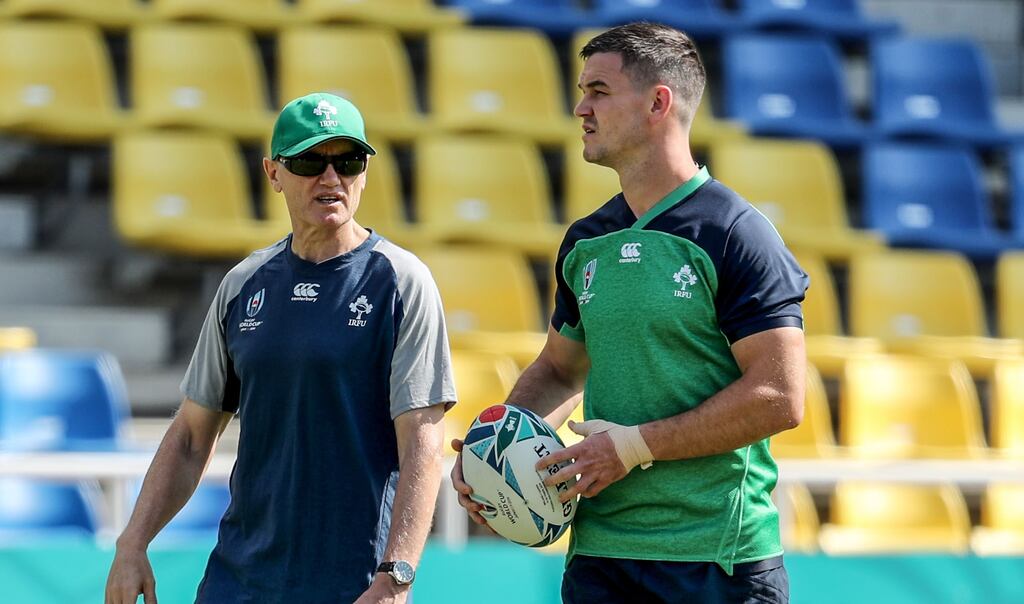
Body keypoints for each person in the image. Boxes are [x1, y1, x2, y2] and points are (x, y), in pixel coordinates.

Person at [452, 23, 808, 604]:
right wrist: (492, 451)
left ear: (657, 103)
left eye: (598, 90)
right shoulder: (586, 240)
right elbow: (562, 371)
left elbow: (780, 396)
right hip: (599, 558)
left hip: (716, 559)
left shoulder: (737, 234)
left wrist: (634, 447)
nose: (579, 107)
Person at [106, 93, 456, 604]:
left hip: (352, 585)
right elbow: (189, 435)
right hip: (238, 580)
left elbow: (423, 441)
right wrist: (132, 542)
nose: (331, 178)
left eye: (348, 161)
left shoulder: (401, 282)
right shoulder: (243, 283)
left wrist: (396, 576)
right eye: (310, 161)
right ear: (273, 173)